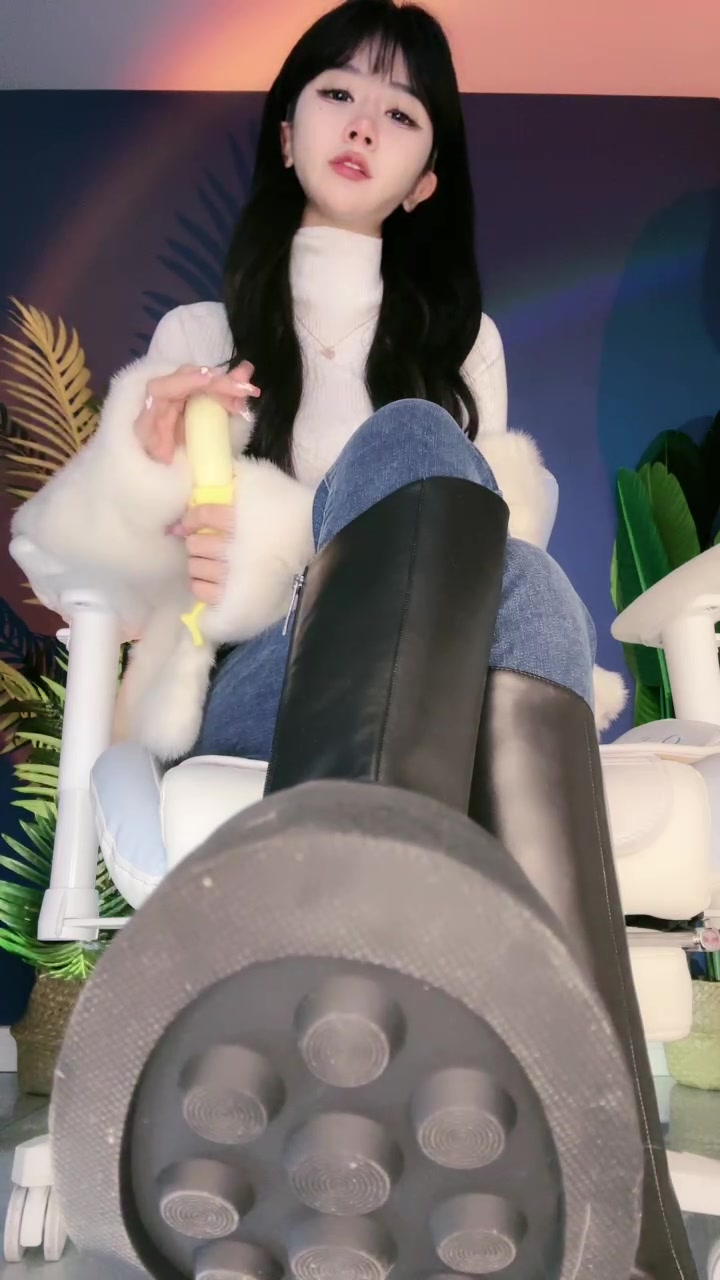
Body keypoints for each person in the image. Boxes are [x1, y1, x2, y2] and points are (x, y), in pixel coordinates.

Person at [11, 3, 694, 1277]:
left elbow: (487, 572)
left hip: (446, 679)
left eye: (401, 110)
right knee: (419, 449)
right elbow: (79, 564)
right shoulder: (202, 337)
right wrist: (152, 470)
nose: (363, 123)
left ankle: (366, 1005)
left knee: (522, 575)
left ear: (427, 176)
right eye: (338, 93)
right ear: (287, 129)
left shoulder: (464, 347)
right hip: (262, 680)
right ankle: (622, 1212)